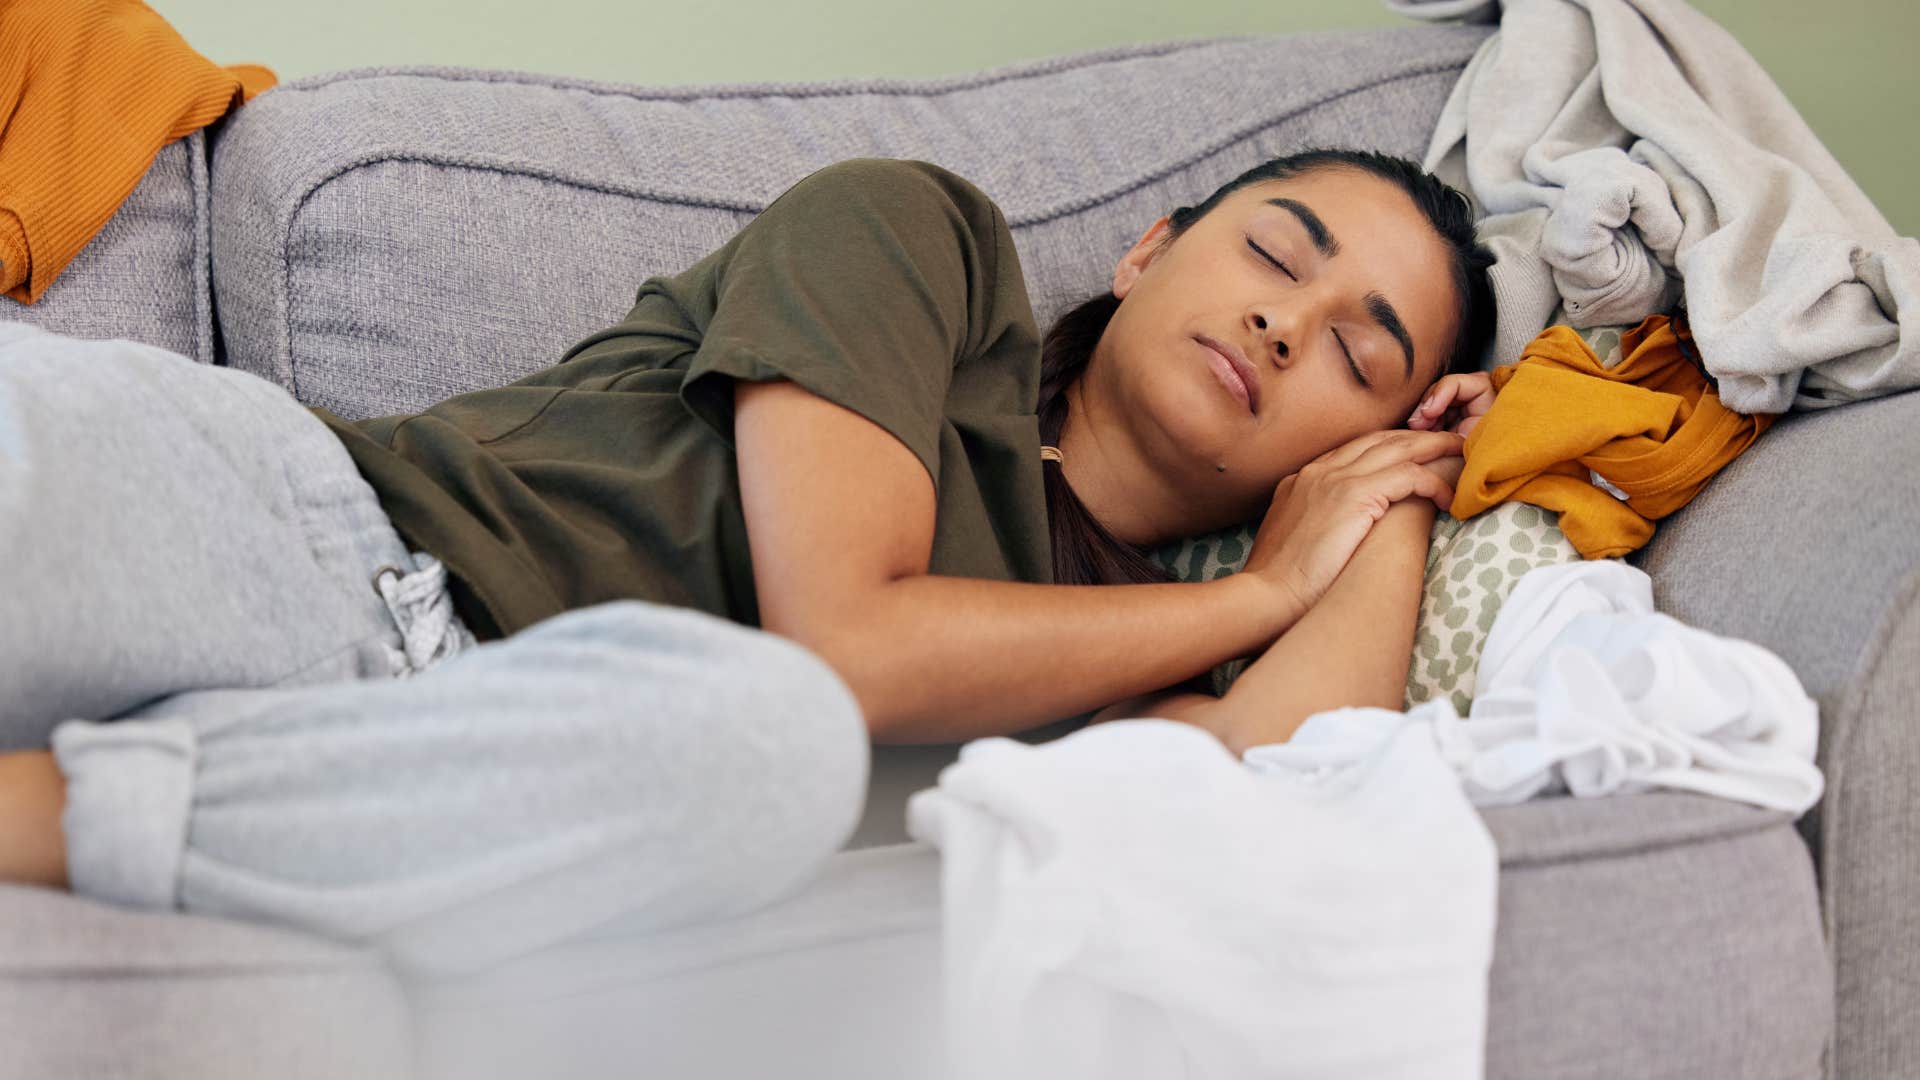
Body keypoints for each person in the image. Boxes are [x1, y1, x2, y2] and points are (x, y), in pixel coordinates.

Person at [0, 148, 1495, 975]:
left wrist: (1420, 480)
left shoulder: (1134, 669)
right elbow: (850, 639)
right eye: (1275, 257)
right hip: (328, 539)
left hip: (508, 790)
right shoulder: (928, 245)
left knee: (765, 749)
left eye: (1361, 356)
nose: (1289, 326)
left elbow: (1282, 768)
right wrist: (1262, 589)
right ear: (1149, 246)